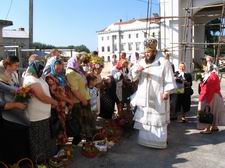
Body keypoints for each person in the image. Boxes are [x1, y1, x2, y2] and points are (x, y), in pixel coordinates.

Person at [130, 39, 176, 149]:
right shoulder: (141, 62)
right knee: (145, 117)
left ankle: (159, 142)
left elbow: (169, 78)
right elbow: (133, 77)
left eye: (149, 52)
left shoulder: (164, 62)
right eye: (145, 52)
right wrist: (137, 71)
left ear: (155, 52)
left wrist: (166, 92)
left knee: (157, 120)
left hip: (157, 96)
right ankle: (145, 141)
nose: (146, 54)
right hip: (144, 97)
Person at [23, 60, 58, 163]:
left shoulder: (38, 77)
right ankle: (39, 163)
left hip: (44, 116)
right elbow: (41, 97)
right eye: (40, 69)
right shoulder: (30, 79)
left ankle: (46, 161)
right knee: (38, 142)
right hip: (36, 117)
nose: (42, 71)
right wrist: (54, 102)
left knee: (45, 140)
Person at [0, 56, 29, 164]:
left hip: (16, 118)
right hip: (7, 121)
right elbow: (2, 105)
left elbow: (15, 89)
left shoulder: (11, 76)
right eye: (15, 65)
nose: (17, 68)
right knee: (12, 147)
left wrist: (22, 92)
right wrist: (16, 104)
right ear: (7, 66)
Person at [198, 61, 225, 133]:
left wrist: (208, 102)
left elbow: (210, 89)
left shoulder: (212, 76)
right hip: (213, 96)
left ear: (209, 67)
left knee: (209, 111)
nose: (203, 68)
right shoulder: (210, 75)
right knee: (213, 111)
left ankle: (207, 129)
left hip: (212, 96)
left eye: (205, 66)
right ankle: (214, 127)